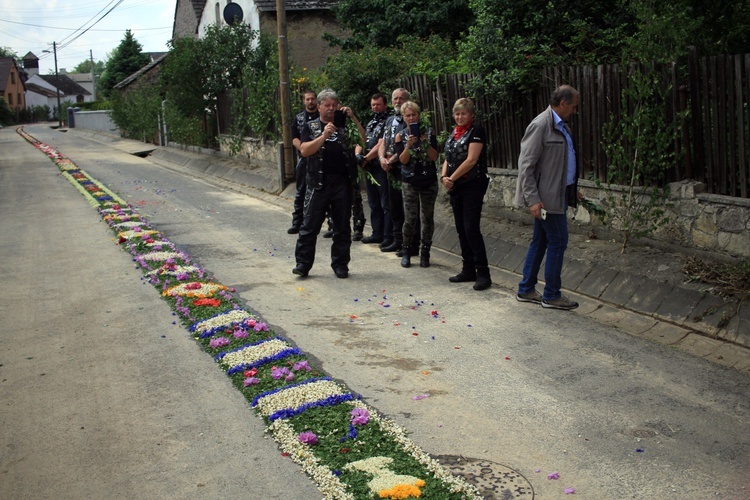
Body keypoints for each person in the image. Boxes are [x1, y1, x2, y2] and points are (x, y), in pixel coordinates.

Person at [515, 85, 581, 310]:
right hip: (546, 200)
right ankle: (551, 294)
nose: (574, 110)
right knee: (559, 241)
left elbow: (560, 163)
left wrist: (572, 187)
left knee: (541, 240)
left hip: (557, 194)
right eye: (573, 106)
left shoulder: (560, 126)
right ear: (562, 103)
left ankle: (526, 288)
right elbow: (526, 165)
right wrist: (532, 199)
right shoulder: (541, 125)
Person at [293, 89, 362, 279]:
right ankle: (303, 264)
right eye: (327, 105)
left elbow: (365, 140)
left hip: (342, 182)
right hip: (318, 182)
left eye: (334, 105)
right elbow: (305, 151)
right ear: (320, 106)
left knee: (342, 226)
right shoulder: (311, 126)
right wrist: (323, 136)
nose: (331, 109)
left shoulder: (345, 126)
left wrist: (353, 118)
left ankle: (340, 264)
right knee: (310, 225)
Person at [441, 97, 491, 291]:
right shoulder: (454, 133)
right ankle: (468, 268)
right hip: (455, 186)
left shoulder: (476, 131)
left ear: (471, 115)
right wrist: (444, 176)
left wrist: (451, 178)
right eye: (457, 113)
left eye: (463, 113)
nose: (459, 117)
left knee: (471, 228)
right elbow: (448, 157)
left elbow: (471, 160)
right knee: (461, 228)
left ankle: (483, 273)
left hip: (472, 184)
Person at [394, 101, 438, 268]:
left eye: (414, 115)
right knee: (410, 218)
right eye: (408, 115)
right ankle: (406, 251)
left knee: (427, 218)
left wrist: (425, 143)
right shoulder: (400, 135)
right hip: (410, 180)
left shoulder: (429, 132)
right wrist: (409, 145)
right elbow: (403, 160)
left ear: (419, 115)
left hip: (428, 180)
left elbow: (434, 157)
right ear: (404, 117)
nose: (411, 118)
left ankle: (425, 252)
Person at [378, 88, 417, 255]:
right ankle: (397, 240)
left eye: (401, 98)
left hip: (404, 168)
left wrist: (391, 160)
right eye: (395, 98)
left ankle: (411, 243)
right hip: (389, 169)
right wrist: (381, 159)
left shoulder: (408, 121)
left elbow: (406, 146)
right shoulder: (389, 120)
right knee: (393, 206)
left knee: (406, 208)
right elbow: (383, 142)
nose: (397, 101)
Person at [356, 93, 392, 245]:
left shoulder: (389, 121)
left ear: (385, 104)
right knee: (373, 202)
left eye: (378, 104)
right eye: (373, 105)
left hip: (380, 166)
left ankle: (387, 235)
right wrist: (358, 154)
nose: (375, 107)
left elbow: (381, 144)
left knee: (385, 203)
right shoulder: (371, 122)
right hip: (369, 167)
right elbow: (362, 140)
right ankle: (377, 232)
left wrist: (366, 158)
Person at [288, 90, 319, 234]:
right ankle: (297, 223)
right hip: (303, 159)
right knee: (300, 191)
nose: (310, 102)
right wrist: (302, 148)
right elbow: (294, 137)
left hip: (319, 160)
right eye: (308, 99)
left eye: (313, 99)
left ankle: (329, 224)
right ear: (304, 101)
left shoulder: (322, 117)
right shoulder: (299, 118)